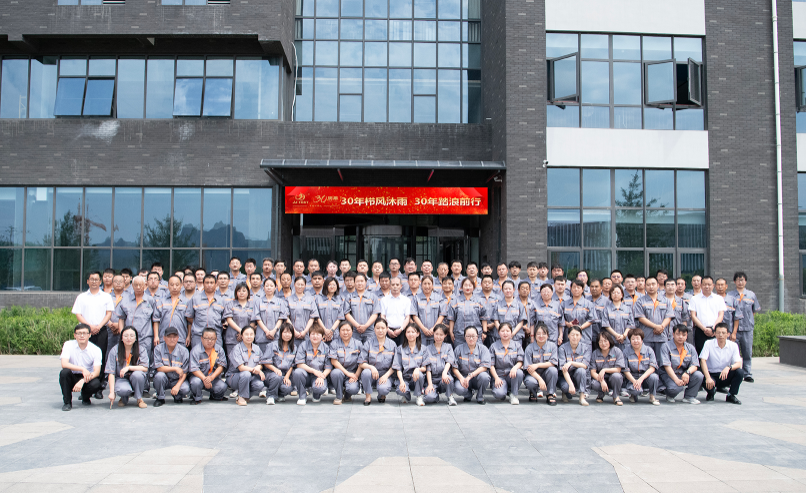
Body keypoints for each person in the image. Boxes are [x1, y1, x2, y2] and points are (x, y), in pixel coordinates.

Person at [71, 271, 114, 400]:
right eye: (92, 279)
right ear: (87, 281)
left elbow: (109, 314)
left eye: (96, 279)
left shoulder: (106, 296)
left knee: (100, 358)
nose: (94, 281)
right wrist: (89, 327)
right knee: (85, 357)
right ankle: (85, 388)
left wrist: (99, 326)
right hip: (85, 332)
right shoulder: (81, 297)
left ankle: (98, 388)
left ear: (100, 282)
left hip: (101, 330)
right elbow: (78, 314)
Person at [59, 324, 104, 411]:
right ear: (74, 335)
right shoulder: (68, 345)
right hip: (72, 375)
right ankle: (67, 403)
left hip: (87, 377)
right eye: (79, 333)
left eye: (84, 333)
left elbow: (97, 372)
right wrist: (82, 369)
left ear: (89, 335)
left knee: (96, 383)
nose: (82, 336)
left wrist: (83, 381)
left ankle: (85, 397)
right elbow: (64, 364)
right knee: (64, 373)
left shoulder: (96, 350)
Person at [116, 276, 158, 364]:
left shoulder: (150, 300)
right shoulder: (125, 300)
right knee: (128, 360)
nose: (138, 287)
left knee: (144, 361)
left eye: (140, 285)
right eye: (136, 285)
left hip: (145, 338)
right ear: (132, 285)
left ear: (145, 285)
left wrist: (156, 336)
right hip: (129, 338)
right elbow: (121, 319)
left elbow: (155, 320)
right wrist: (122, 334)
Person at [632, 277, 675, 364]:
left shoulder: (665, 301)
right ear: (645, 286)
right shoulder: (640, 301)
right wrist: (656, 326)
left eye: (653, 284)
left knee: (662, 361)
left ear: (658, 285)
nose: (651, 287)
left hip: (662, 336)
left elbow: (669, 316)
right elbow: (641, 318)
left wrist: (661, 327)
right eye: (648, 285)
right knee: (646, 361)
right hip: (646, 337)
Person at [106, 326, 150, 409]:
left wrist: (129, 368)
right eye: (126, 336)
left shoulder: (141, 349)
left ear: (136, 338)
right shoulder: (114, 350)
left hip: (135, 377)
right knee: (122, 390)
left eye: (131, 335)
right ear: (121, 338)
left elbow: (145, 368)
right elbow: (111, 372)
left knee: (138, 375)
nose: (128, 338)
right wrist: (112, 392)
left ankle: (139, 399)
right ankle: (124, 398)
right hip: (121, 378)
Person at [700, 323, 744, 405]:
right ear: (714, 334)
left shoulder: (733, 345)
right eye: (718, 332)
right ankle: (711, 392)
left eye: (723, 333)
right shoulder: (708, 343)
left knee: (739, 372)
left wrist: (728, 367)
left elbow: (738, 363)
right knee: (700, 375)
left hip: (725, 375)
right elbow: (703, 360)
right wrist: (708, 377)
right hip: (711, 374)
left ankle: (731, 395)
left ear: (728, 334)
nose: (721, 335)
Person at [660, 325, 703, 404]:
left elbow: (695, 365)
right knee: (675, 388)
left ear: (686, 336)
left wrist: (687, 373)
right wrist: (676, 380)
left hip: (683, 374)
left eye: (684, 335)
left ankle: (689, 396)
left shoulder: (690, 348)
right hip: (669, 375)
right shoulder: (666, 346)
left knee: (698, 375)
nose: (681, 337)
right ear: (673, 334)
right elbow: (667, 366)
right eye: (678, 334)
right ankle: (669, 394)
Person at [729, 272, 760, 382]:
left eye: (742, 280)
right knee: (733, 352)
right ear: (734, 281)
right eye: (738, 280)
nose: (740, 282)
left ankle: (747, 374)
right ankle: (734, 373)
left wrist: (749, 321)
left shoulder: (751, 295)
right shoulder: (730, 295)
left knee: (747, 352)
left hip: (747, 329)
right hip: (734, 330)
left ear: (745, 281)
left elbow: (754, 311)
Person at [359, 318, 397, 405]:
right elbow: (361, 362)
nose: (380, 330)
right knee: (365, 372)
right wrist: (371, 367)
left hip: (386, 374)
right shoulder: (368, 343)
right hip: (371, 373)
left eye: (383, 328)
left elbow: (395, 365)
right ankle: (368, 396)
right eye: (378, 328)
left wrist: (386, 376)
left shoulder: (392, 345)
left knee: (383, 389)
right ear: (374, 329)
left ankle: (382, 395)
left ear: (387, 329)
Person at [292, 324, 332, 405]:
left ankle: (316, 395)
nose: (315, 336)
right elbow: (299, 364)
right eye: (313, 334)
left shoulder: (326, 348)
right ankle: (302, 396)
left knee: (320, 388)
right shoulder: (303, 345)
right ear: (309, 335)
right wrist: (314, 371)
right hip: (305, 375)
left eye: (318, 334)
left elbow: (328, 367)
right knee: (297, 372)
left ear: (322, 336)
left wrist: (322, 377)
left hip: (319, 375)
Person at [225, 326, 265, 406]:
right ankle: (241, 397)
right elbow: (241, 368)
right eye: (246, 334)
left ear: (254, 336)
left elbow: (261, 363)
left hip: (250, 377)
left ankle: (246, 396)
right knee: (246, 374)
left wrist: (259, 367)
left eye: (251, 334)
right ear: (242, 336)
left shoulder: (257, 348)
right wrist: (256, 370)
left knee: (260, 384)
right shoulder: (237, 348)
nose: (249, 337)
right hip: (234, 377)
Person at [151, 326, 190, 407]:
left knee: (185, 388)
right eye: (169, 337)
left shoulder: (184, 351)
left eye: (174, 337)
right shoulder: (158, 349)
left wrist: (177, 386)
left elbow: (185, 372)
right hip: (164, 378)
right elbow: (159, 368)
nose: (172, 339)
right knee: (159, 376)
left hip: (176, 379)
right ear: (164, 338)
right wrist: (175, 368)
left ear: (178, 338)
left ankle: (177, 396)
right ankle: (160, 398)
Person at [452, 327, 491, 404]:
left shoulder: (483, 349)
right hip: (463, 377)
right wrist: (461, 378)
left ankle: (480, 396)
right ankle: (468, 394)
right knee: (458, 388)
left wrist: (470, 376)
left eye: (473, 336)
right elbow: (454, 367)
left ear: (477, 337)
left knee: (485, 377)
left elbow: (484, 367)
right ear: (464, 337)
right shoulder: (458, 349)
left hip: (477, 378)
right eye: (468, 336)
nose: (471, 338)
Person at [189, 328, 229, 404]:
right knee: (195, 382)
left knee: (223, 386)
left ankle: (215, 396)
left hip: (213, 378)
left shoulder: (219, 350)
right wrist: (204, 379)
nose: (210, 341)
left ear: (216, 339)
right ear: (201, 338)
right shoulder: (195, 350)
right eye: (207, 338)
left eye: (212, 339)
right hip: (199, 378)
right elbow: (194, 369)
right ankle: (197, 397)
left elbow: (221, 366)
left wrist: (211, 377)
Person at [622, 328, 660, 405]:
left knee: (654, 377)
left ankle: (652, 396)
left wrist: (641, 379)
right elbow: (625, 370)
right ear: (630, 340)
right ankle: (633, 395)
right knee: (636, 391)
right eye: (633, 339)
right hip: (633, 377)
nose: (635, 341)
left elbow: (652, 368)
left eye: (638, 338)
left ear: (642, 339)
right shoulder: (626, 351)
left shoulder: (649, 350)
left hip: (646, 376)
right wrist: (634, 381)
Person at [185, 274, 225, 349]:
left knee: (216, 355)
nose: (209, 285)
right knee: (197, 354)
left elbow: (224, 318)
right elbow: (189, 317)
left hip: (216, 335)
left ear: (216, 284)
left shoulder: (221, 300)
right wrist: (199, 324)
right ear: (203, 284)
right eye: (207, 283)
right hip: (198, 335)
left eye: (211, 283)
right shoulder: (195, 299)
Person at [261, 322, 297, 405]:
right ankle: (271, 396)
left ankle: (280, 394)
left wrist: (287, 376)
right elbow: (265, 362)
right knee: (277, 377)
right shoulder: (272, 345)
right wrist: (275, 370)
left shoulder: (294, 348)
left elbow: (293, 364)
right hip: (271, 374)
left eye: (290, 333)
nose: (287, 335)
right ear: (280, 333)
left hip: (284, 374)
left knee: (288, 388)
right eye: (285, 332)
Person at [488, 323, 524, 405]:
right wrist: (496, 378)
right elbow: (491, 365)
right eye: (502, 331)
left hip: (512, 375)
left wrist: (515, 368)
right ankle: (505, 391)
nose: (505, 333)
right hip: (499, 376)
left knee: (519, 372)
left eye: (507, 331)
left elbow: (520, 361)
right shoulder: (494, 346)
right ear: (498, 332)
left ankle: (514, 395)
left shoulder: (517, 345)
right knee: (499, 394)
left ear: (511, 332)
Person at [393, 324, 429, 406]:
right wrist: (401, 381)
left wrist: (417, 369)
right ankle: (406, 395)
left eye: (413, 332)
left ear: (418, 334)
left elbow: (424, 368)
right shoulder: (400, 349)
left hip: (416, 378)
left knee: (420, 375)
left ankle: (419, 396)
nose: (410, 334)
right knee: (400, 390)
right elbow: (398, 368)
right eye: (408, 332)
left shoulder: (423, 349)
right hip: (404, 378)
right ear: (405, 334)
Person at [329, 321, 363, 405]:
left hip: (353, 372)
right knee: (336, 373)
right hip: (340, 371)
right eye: (343, 330)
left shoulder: (358, 344)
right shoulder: (334, 343)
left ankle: (347, 396)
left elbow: (362, 362)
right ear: (339, 331)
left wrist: (356, 375)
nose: (345, 332)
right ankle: (339, 396)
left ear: (352, 331)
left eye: (348, 330)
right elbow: (333, 361)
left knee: (353, 389)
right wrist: (347, 373)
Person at [689, 276, 726, 354]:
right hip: (700, 330)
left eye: (709, 284)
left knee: (716, 353)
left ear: (713, 285)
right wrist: (704, 329)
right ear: (701, 285)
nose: (707, 286)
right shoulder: (694, 299)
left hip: (715, 330)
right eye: (704, 284)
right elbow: (693, 316)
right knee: (700, 353)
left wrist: (713, 328)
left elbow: (721, 315)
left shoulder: (719, 299)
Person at [447, 278, 488, 348]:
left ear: (474, 287)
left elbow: (484, 318)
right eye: (465, 285)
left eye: (470, 285)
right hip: (460, 335)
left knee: (476, 353)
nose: (468, 287)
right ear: (462, 287)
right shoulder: (455, 301)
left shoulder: (480, 301)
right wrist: (451, 332)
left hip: (476, 335)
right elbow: (452, 319)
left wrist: (484, 332)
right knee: (460, 353)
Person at [524, 323, 559, 405]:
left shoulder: (552, 346)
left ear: (548, 335)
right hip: (533, 375)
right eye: (538, 334)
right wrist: (539, 379)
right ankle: (533, 392)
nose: (541, 336)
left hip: (547, 374)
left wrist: (537, 365)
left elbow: (553, 363)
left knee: (553, 370)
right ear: (534, 335)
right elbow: (528, 368)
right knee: (530, 382)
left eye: (544, 334)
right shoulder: (529, 348)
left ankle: (550, 394)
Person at [223, 283, 256, 368]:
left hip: (248, 338)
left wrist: (245, 334)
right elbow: (229, 320)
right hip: (232, 338)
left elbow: (253, 321)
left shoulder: (252, 305)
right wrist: (242, 332)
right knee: (233, 363)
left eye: (244, 291)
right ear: (236, 293)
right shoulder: (230, 304)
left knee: (247, 362)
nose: (241, 293)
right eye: (239, 291)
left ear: (248, 293)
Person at [153, 276, 190, 350]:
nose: (174, 287)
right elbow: (156, 320)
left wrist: (189, 336)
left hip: (180, 337)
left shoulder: (187, 302)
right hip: (164, 337)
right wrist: (156, 336)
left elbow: (189, 321)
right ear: (168, 286)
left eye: (177, 285)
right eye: (172, 285)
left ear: (181, 285)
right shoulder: (161, 301)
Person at [423, 324, 457, 406]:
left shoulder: (448, 347)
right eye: (436, 334)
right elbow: (428, 368)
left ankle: (450, 396)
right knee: (429, 398)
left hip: (443, 378)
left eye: (441, 335)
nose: (438, 337)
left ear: (445, 335)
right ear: (433, 334)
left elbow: (449, 361)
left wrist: (444, 373)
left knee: (449, 379)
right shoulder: (427, 349)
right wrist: (430, 384)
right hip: (433, 380)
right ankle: (435, 396)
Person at [253, 278, 289, 353]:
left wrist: (274, 331)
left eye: (271, 286)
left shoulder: (280, 302)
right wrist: (266, 331)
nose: (269, 288)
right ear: (263, 287)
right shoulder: (258, 302)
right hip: (261, 336)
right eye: (267, 286)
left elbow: (281, 318)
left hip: (276, 336)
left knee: (276, 357)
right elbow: (257, 318)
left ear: (275, 287)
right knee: (262, 357)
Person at [558, 325, 590, 406]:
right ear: (568, 336)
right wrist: (571, 385)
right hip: (565, 376)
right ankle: (565, 392)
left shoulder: (585, 348)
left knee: (581, 370)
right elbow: (563, 369)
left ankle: (582, 397)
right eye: (572, 335)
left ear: (581, 336)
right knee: (565, 387)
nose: (575, 337)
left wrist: (571, 363)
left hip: (578, 376)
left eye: (577, 335)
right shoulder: (562, 348)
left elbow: (584, 365)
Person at [589, 332, 624, 406]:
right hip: (601, 378)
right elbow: (592, 372)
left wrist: (604, 370)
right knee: (594, 384)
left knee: (617, 376)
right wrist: (602, 381)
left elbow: (618, 369)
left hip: (613, 378)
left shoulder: (617, 351)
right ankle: (601, 394)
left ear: (610, 341)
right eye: (600, 341)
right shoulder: (595, 353)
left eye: (605, 341)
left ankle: (616, 396)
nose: (603, 343)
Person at [345, 273, 381, 343]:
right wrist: (357, 326)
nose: (360, 283)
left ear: (366, 282)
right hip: (354, 331)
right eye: (357, 281)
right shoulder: (349, 297)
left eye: (362, 281)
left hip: (370, 331)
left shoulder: (373, 297)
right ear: (354, 283)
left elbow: (375, 313)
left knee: (369, 348)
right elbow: (347, 313)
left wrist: (366, 326)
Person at [561, 280, 596, 346]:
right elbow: (561, 318)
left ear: (582, 290)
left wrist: (580, 327)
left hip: (584, 337)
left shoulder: (589, 304)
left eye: (578, 287)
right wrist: (567, 324)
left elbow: (592, 319)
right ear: (571, 289)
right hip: (569, 337)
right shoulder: (564, 304)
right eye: (574, 287)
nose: (576, 289)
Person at [287, 276, 320, 344]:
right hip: (291, 334)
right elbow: (286, 317)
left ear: (305, 286)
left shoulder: (310, 300)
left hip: (307, 334)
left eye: (302, 285)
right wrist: (294, 331)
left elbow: (312, 317)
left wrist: (305, 331)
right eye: (298, 284)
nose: (300, 286)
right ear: (294, 285)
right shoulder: (288, 299)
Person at [380, 277, 412, 345]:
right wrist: (387, 329)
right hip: (387, 331)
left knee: (401, 350)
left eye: (397, 285)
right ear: (389, 286)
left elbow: (407, 317)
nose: (395, 286)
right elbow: (383, 316)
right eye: (393, 284)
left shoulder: (406, 300)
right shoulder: (384, 300)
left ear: (401, 286)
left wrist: (401, 329)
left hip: (402, 331)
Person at [413, 275, 443, 345]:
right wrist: (423, 329)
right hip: (421, 333)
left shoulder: (438, 298)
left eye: (429, 284)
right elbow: (414, 315)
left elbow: (441, 315)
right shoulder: (416, 298)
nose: (427, 286)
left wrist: (434, 328)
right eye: (425, 284)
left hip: (435, 333)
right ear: (421, 285)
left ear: (432, 285)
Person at [602, 285, 633, 351]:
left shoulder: (627, 309)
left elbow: (630, 324)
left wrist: (624, 335)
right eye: (613, 293)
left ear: (622, 295)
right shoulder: (607, 309)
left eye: (618, 292)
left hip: (625, 340)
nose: (616, 294)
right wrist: (616, 335)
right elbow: (606, 325)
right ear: (610, 295)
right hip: (611, 340)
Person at [318, 277, 346, 343]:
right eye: (329, 284)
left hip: (335, 333)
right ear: (325, 286)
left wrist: (331, 331)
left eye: (334, 285)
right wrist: (325, 330)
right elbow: (317, 317)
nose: (332, 286)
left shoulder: (340, 299)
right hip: (321, 333)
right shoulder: (318, 299)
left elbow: (339, 318)